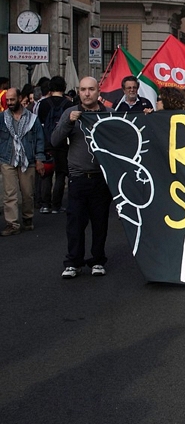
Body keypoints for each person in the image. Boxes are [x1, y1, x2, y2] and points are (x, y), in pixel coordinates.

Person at [51, 77, 113, 278]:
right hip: (78, 177)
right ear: (78, 91)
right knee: (75, 223)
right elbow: (55, 140)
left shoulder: (108, 114)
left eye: (91, 89)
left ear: (98, 91)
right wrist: (69, 123)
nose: (87, 93)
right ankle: (73, 262)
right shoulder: (71, 112)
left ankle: (97, 260)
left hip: (100, 179)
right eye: (83, 89)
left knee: (100, 223)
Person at [0, 88, 45, 236]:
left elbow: (39, 140)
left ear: (20, 98)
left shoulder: (32, 119)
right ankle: (12, 223)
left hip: (28, 160)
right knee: (9, 193)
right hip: (8, 159)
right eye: (8, 100)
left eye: (12, 99)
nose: (10, 103)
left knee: (27, 193)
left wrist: (39, 159)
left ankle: (27, 218)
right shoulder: (2, 118)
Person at [36, 75, 73, 213]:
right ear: (64, 87)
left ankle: (45, 204)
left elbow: (39, 123)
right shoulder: (68, 104)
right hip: (63, 143)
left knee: (46, 173)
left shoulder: (44, 104)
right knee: (61, 174)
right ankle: (57, 205)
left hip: (47, 142)